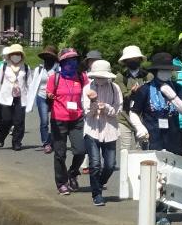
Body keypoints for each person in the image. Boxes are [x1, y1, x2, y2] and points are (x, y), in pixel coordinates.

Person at [80, 58, 123, 206]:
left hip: (110, 130)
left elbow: (118, 110)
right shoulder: (87, 88)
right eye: (98, 76)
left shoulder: (115, 88)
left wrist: (105, 107)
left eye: (103, 76)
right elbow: (86, 113)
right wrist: (93, 103)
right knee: (95, 164)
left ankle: (99, 183)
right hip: (92, 129)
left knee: (110, 164)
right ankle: (97, 194)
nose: (100, 79)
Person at [45, 47, 87, 193]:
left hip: (77, 119)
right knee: (60, 153)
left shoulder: (82, 77)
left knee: (81, 150)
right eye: (68, 61)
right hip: (59, 119)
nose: (72, 63)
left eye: (74, 60)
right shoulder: (54, 78)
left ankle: (73, 173)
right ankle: (61, 183)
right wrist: (50, 96)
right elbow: (48, 94)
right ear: (62, 63)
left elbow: (88, 93)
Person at [0, 42, 31, 150]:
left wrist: (31, 100)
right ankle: (2, 136)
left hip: (20, 98)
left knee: (19, 121)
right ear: (10, 55)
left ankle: (16, 142)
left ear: (21, 55)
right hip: (5, 97)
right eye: (14, 53)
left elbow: (29, 84)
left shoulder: (26, 68)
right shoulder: (4, 67)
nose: (16, 56)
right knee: (6, 120)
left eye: (18, 53)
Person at [28, 47, 56, 153]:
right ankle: (46, 143)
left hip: (54, 98)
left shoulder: (58, 69)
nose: (48, 59)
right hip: (42, 96)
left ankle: (53, 140)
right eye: (46, 57)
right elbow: (33, 84)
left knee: (55, 121)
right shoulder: (39, 69)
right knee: (44, 121)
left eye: (50, 57)